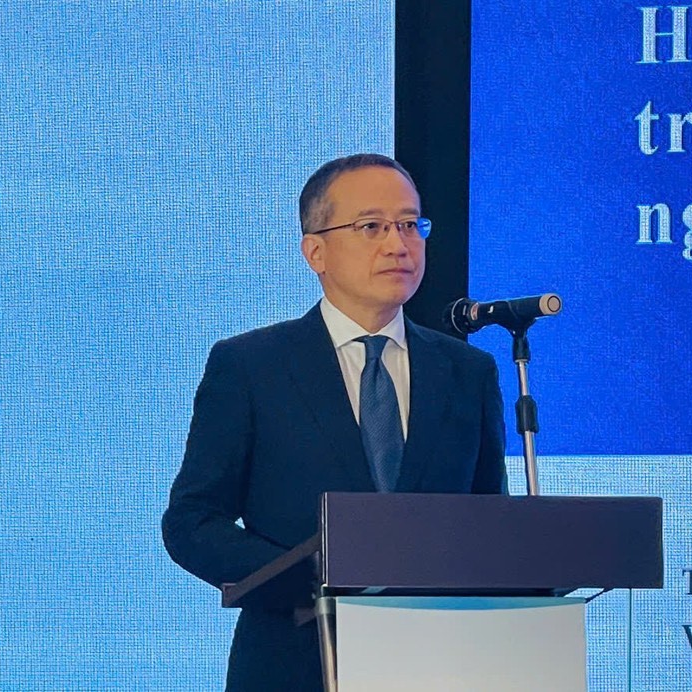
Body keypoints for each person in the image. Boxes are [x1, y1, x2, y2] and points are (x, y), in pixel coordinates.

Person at [162, 153, 508, 691]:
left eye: (410, 225)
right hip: (293, 661)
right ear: (315, 252)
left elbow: (489, 521)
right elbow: (192, 521)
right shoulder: (252, 367)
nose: (398, 244)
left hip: (439, 662)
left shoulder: (468, 371)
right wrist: (312, 582)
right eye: (371, 227)